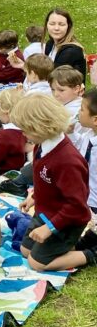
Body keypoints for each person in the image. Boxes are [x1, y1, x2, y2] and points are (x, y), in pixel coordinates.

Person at [11, 95, 95, 270]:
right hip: (45, 213)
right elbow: (45, 180)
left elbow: (76, 206)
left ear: (41, 127)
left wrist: (49, 228)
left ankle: (91, 253)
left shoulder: (68, 161)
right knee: (26, 251)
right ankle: (67, 248)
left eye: (26, 130)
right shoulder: (41, 145)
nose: (23, 134)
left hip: (67, 221)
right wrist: (34, 196)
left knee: (36, 263)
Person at [74, 89, 97, 252]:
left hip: (94, 204)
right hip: (83, 197)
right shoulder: (88, 134)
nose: (78, 112)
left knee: (79, 246)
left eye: (82, 109)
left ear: (95, 120)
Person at [42, 8, 86, 78]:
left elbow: (53, 78)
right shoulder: (50, 44)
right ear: (46, 25)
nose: (56, 28)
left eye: (61, 24)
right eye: (52, 24)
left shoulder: (71, 51)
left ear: (68, 26)